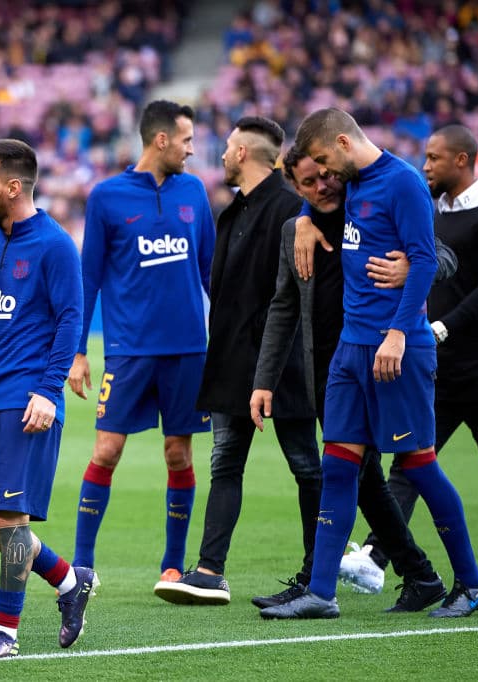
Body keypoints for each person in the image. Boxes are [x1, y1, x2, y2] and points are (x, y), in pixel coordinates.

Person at [260, 107, 478, 619]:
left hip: (395, 348)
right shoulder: (356, 185)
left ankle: (472, 584)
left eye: (324, 160)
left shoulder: (403, 182)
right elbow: (324, 211)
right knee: (338, 465)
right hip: (350, 349)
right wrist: (301, 218)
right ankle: (321, 592)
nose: (324, 174)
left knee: (418, 465)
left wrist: (396, 334)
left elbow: (428, 258)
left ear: (343, 142)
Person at [357, 124, 478, 593]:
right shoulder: (430, 213)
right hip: (439, 367)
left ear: (462, 160)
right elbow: (428, 266)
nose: (425, 166)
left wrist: (439, 327)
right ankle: (376, 555)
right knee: (410, 460)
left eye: (434, 158)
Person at [154, 116, 320, 606]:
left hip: (283, 367)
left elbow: (289, 300)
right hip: (230, 365)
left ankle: (317, 574)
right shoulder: (232, 211)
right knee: (225, 463)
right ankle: (209, 571)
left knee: (307, 467)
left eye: (227, 147)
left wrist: (268, 366)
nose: (222, 155)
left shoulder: (293, 212)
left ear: (244, 153)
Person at [0, 139, 93, 660]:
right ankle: (70, 581)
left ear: (12, 187)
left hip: (27, 398)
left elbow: (71, 320)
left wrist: (49, 391)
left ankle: (4, 632)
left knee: (10, 522)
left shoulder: (55, 245)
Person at [67, 100, 215, 592]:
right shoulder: (107, 197)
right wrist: (79, 349)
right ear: (161, 140)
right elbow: (87, 277)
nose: (193, 149)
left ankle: (173, 565)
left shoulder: (195, 192)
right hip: (129, 351)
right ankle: (82, 565)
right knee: (106, 450)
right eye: (187, 140)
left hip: (188, 349)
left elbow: (211, 273)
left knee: (179, 455)